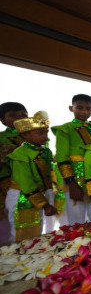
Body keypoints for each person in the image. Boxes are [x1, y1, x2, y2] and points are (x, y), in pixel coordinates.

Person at [5, 111, 57, 242]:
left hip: (39, 195)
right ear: (25, 134)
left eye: (46, 132)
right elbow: (26, 183)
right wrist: (44, 205)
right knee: (21, 233)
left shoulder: (45, 151)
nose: (45, 136)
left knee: (37, 230)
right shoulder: (20, 155)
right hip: (22, 196)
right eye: (40, 133)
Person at [52, 94, 91, 224]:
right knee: (76, 219)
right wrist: (71, 183)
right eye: (79, 108)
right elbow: (62, 158)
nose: (84, 112)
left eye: (88, 109)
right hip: (74, 179)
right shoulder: (65, 129)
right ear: (71, 108)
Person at [0, 102, 28, 240]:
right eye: (12, 115)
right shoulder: (1, 137)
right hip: (8, 185)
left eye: (23, 114)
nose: (19, 118)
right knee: (11, 223)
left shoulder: (36, 135)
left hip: (35, 184)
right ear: (3, 120)